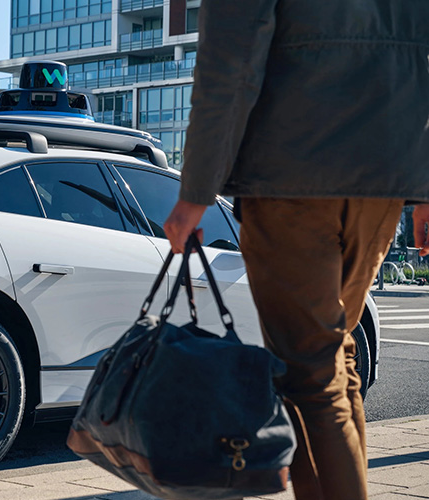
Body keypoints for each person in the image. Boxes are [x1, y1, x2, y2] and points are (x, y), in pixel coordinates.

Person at [162, 1, 429, 498]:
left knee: (308, 374)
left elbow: (228, 62)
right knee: (334, 358)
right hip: (383, 175)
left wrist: (194, 193)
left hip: (291, 172)